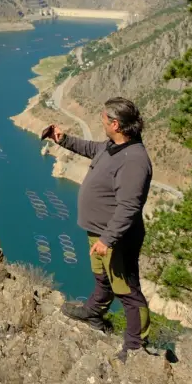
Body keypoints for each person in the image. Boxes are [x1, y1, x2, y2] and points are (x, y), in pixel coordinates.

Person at [41, 97, 158, 361]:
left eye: (104, 119)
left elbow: (129, 206)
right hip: (100, 232)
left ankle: (136, 346)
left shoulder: (134, 160)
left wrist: (108, 239)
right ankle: (94, 312)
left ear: (115, 124)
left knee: (127, 290)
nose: (101, 122)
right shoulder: (113, 146)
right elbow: (92, 148)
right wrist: (63, 139)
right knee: (102, 277)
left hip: (116, 238)